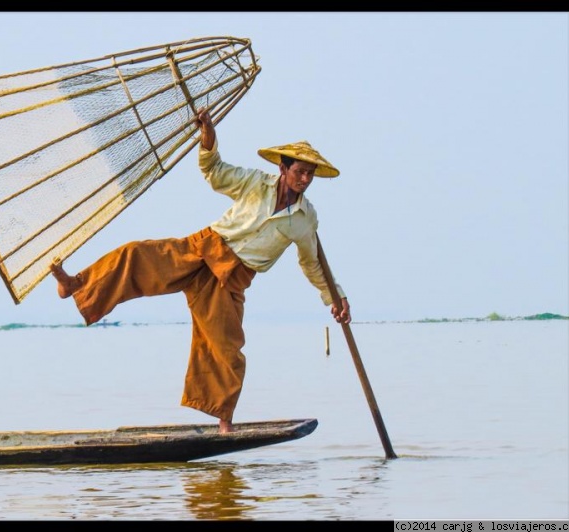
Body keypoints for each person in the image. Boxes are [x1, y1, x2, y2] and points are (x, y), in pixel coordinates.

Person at [50, 108, 351, 434]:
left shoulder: (306, 218)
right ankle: (76, 284)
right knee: (137, 254)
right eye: (300, 172)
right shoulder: (254, 183)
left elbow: (311, 262)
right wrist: (207, 135)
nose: (305, 180)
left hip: (231, 279)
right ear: (283, 168)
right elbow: (214, 171)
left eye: (310, 175)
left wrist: (334, 297)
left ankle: (224, 422)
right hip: (202, 249)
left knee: (226, 349)